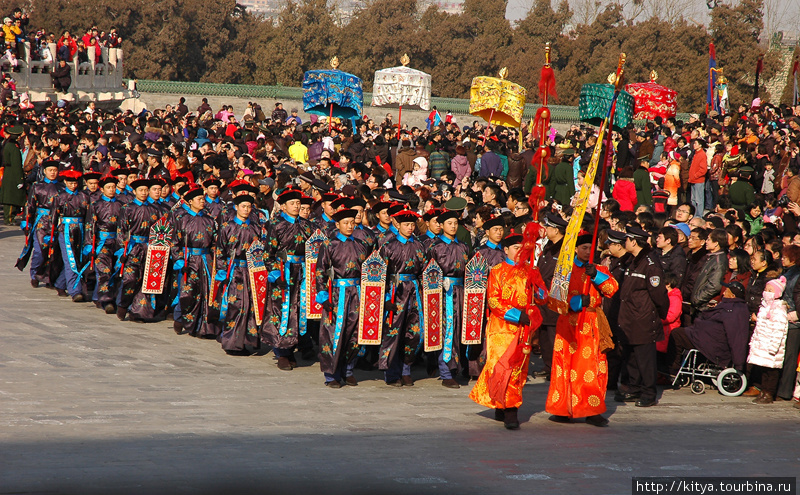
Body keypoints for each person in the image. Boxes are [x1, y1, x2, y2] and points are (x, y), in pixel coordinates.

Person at [469, 233, 547, 430]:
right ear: (505, 250)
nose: (519, 251)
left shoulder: (531, 270)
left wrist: (537, 284)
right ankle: (501, 403)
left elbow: (543, 297)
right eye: (515, 248)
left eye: (523, 248)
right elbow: (493, 300)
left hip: (524, 329)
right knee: (501, 366)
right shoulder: (497, 271)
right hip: (502, 327)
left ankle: (510, 408)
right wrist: (515, 315)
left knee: (517, 369)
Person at [546, 231, 619, 427]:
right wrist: (576, 301)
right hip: (568, 324)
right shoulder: (564, 270)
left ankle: (592, 409)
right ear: (576, 249)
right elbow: (554, 300)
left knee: (591, 367)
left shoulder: (600, 268)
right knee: (564, 366)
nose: (588, 252)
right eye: (584, 248)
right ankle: (562, 408)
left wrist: (595, 276)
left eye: (591, 248)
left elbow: (612, 288)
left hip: (591, 324)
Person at [314, 208, 369, 387]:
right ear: (337, 225)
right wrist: (323, 297)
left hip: (357, 293)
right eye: (345, 223)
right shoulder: (329, 244)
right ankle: (332, 374)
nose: (349, 226)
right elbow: (320, 271)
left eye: (352, 222)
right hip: (337, 293)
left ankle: (348, 369)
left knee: (355, 333)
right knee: (333, 334)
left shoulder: (362, 244)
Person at [616, 225, 669, 407]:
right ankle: (633, 387)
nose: (624, 243)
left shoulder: (650, 263)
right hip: (630, 318)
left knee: (645, 359)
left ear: (633, 241)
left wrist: (660, 314)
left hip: (643, 318)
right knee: (630, 356)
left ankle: (648, 392)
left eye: (627, 240)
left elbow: (659, 294)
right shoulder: (632, 260)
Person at [262, 189, 315, 370]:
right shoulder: (276, 225)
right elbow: (268, 253)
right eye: (292, 203)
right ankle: (281, 352)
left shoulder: (309, 226)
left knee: (299, 311)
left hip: (303, 273)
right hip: (284, 272)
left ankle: (292, 348)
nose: (297, 206)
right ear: (283, 206)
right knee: (281, 311)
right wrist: (275, 273)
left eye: (298, 203)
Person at [378, 209, 426, 386]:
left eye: (412, 224)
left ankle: (406, 368)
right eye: (406, 224)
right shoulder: (388, 246)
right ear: (397, 225)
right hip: (395, 292)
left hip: (414, 291)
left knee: (413, 333)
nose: (410, 228)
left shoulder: (420, 246)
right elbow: (380, 274)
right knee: (393, 332)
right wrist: (384, 299)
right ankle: (391, 372)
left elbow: (424, 272)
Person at [212, 194, 265, 354]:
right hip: (233, 270)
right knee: (235, 305)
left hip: (252, 271)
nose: (246, 210)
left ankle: (249, 339)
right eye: (243, 206)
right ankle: (232, 342)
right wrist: (221, 270)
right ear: (236, 207)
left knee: (251, 306)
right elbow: (220, 250)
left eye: (249, 207)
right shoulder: (227, 227)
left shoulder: (256, 227)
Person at [666, 281, 750, 377]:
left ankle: (673, 369)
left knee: (676, 334)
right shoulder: (730, 306)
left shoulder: (734, 310)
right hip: (704, 335)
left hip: (711, 343)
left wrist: (738, 364)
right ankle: (672, 368)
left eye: (726, 291)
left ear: (732, 295)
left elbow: (737, 337)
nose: (723, 293)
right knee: (678, 333)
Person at [427, 209, 470, 388]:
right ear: (442, 225)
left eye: (455, 223)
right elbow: (427, 271)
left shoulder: (464, 246)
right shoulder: (435, 246)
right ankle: (445, 372)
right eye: (449, 223)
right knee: (446, 331)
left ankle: (456, 368)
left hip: (461, 291)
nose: (453, 227)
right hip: (442, 294)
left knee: (459, 330)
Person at [172, 186, 218, 337]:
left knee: (205, 293)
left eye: (203, 199)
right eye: (199, 199)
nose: (202, 201)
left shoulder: (210, 220)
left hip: (206, 260)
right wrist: (180, 261)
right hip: (188, 259)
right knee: (187, 293)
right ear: (190, 201)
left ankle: (201, 327)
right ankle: (179, 317)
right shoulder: (182, 218)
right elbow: (175, 242)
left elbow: (214, 243)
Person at [16, 160, 61, 287]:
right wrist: (26, 222)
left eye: (55, 170)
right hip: (41, 222)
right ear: (45, 171)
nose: (52, 173)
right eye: (50, 170)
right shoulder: (37, 186)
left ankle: (49, 276)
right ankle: (35, 274)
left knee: (53, 251)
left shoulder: (62, 187)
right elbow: (30, 205)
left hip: (56, 222)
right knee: (40, 250)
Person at [746, 276, 789, 404]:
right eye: (766, 289)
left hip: (772, 346)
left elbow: (779, 330)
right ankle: (763, 391)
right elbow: (759, 327)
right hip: (762, 344)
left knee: (772, 372)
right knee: (764, 370)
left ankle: (769, 393)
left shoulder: (779, 309)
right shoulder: (764, 307)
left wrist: (774, 347)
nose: (766, 292)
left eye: (770, 290)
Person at [83, 175, 122, 313]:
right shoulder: (96, 205)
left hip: (117, 242)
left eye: (113, 187)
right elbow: (90, 226)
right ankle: (106, 300)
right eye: (108, 187)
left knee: (116, 272)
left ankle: (103, 296)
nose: (111, 190)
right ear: (102, 189)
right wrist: (89, 245)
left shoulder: (121, 205)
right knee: (104, 271)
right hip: (101, 242)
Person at [50, 170, 90, 301]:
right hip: (66, 230)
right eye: (70, 182)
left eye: (75, 182)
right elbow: (54, 217)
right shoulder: (60, 196)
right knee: (70, 259)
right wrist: (52, 234)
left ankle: (60, 283)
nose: (73, 185)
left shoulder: (84, 196)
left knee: (77, 259)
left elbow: (88, 216)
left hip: (80, 229)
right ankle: (75, 290)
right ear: (65, 182)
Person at [0, 124, 24, 225]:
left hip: (9, 173)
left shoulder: (9, 144)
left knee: (11, 197)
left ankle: (10, 218)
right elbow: (16, 164)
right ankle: (9, 218)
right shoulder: (13, 147)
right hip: (13, 175)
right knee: (10, 198)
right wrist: (20, 179)